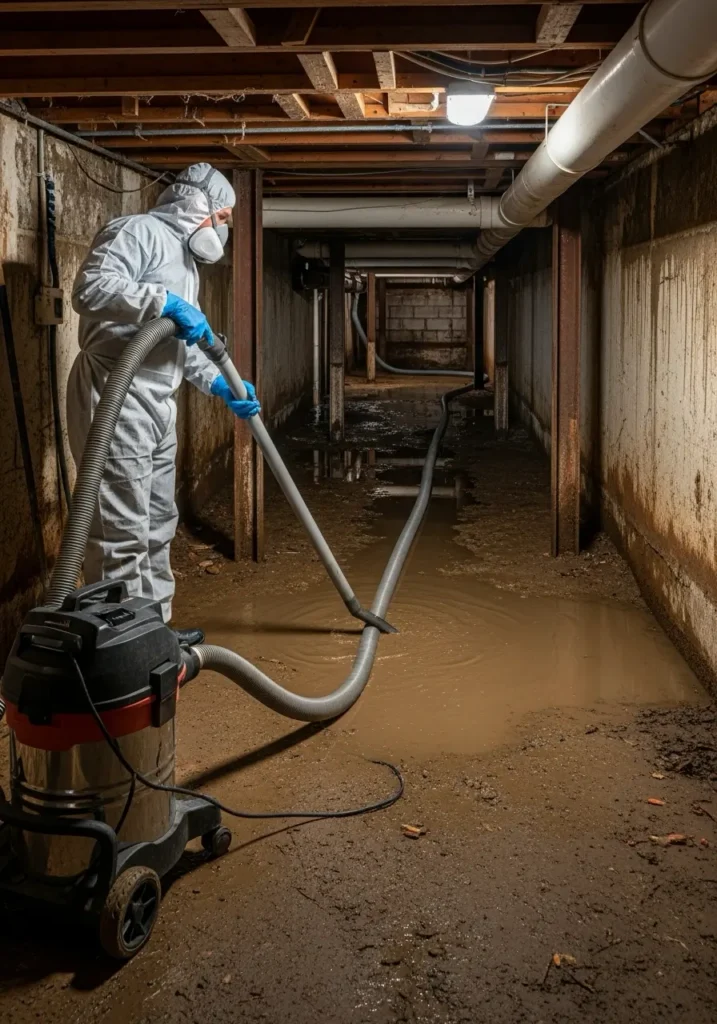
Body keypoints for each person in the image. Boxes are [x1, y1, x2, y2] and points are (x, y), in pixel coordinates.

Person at [67, 163, 260, 645]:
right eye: (221, 216)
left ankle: (156, 632)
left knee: (157, 524)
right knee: (121, 530)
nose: (222, 228)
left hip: (158, 402)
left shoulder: (186, 263)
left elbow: (181, 343)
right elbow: (89, 289)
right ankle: (123, 647)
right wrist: (163, 302)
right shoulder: (138, 232)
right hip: (116, 393)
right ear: (198, 206)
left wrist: (221, 383)